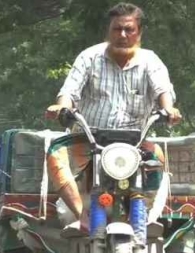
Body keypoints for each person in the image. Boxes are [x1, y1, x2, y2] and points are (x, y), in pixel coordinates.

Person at [44, 2, 182, 237]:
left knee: (158, 158)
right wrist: (62, 107)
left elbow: (163, 90)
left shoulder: (150, 61)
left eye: (129, 30)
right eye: (117, 29)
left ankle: (142, 213)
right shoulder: (89, 57)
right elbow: (69, 91)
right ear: (108, 31)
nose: (123, 35)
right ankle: (82, 217)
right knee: (55, 153)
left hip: (135, 143)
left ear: (139, 33)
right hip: (89, 139)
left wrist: (169, 109)